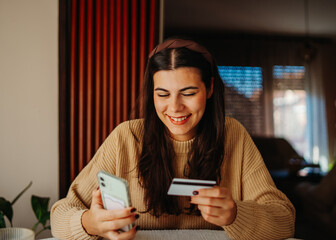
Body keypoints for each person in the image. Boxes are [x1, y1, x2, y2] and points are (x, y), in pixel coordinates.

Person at [51, 38, 295, 240]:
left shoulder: (233, 135)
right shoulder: (126, 137)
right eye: (163, 94)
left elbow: (285, 220)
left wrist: (237, 215)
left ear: (209, 88)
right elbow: (60, 214)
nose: (175, 107)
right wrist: (89, 223)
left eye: (188, 93)